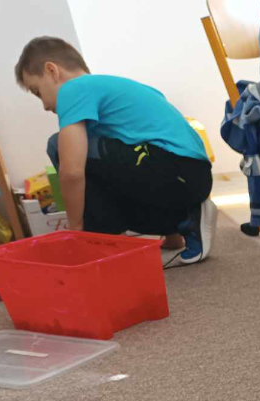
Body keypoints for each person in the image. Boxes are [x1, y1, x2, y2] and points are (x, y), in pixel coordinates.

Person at [15, 37, 216, 267]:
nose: (44, 106)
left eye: (38, 92)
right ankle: (179, 224)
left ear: (52, 71)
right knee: (97, 165)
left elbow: (71, 172)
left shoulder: (73, 88)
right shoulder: (114, 87)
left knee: (58, 145)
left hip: (176, 171)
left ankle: (104, 244)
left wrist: (76, 230)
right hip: (189, 176)